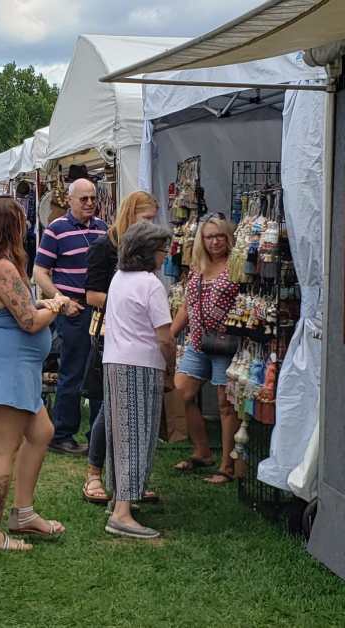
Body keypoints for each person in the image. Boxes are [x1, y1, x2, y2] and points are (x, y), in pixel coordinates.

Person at [0, 197, 71, 552]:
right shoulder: (3, 267)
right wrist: (55, 305)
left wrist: (42, 305)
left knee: (42, 431)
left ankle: (23, 513)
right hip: (7, 367)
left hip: (14, 364)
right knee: (4, 450)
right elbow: (28, 321)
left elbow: (17, 309)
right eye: (21, 221)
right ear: (10, 226)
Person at [82, 191, 160, 504]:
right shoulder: (105, 246)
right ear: (131, 214)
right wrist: (129, 302)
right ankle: (93, 473)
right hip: (110, 335)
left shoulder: (142, 250)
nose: (151, 226)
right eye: (146, 219)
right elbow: (91, 295)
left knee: (128, 412)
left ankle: (127, 483)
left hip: (134, 336)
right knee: (109, 407)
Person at [101, 221, 176, 539]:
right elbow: (164, 336)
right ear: (149, 253)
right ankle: (122, 513)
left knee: (120, 435)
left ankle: (119, 496)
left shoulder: (119, 278)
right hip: (141, 364)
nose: (165, 256)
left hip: (115, 360)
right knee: (136, 436)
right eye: (162, 250)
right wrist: (171, 367)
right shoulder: (150, 284)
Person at [33, 178, 107, 455]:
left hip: (99, 309)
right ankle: (62, 434)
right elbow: (40, 272)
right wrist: (61, 301)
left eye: (92, 198)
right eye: (83, 199)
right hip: (74, 310)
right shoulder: (56, 230)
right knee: (73, 372)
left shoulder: (103, 229)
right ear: (70, 200)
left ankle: (98, 434)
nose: (89, 203)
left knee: (98, 373)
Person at [170, 213, 241, 484]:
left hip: (225, 343)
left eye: (220, 236)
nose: (215, 242)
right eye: (209, 236)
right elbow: (187, 306)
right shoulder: (197, 266)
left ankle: (227, 465)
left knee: (225, 405)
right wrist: (171, 333)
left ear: (228, 237)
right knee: (181, 394)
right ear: (202, 239)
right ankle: (202, 450)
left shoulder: (235, 266)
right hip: (198, 342)